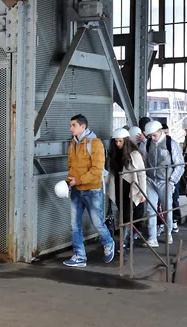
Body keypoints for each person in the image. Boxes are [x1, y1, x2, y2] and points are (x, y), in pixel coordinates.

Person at [63, 114, 115, 267]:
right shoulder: (72, 144)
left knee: (97, 223)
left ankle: (109, 243)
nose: (70, 128)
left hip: (92, 190)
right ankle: (80, 256)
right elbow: (71, 168)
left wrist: (77, 180)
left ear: (82, 127)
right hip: (76, 191)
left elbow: (97, 170)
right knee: (74, 225)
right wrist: (67, 183)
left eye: (73, 125)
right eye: (71, 125)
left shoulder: (95, 143)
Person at [143, 120, 185, 247]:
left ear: (160, 131)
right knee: (150, 209)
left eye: (154, 135)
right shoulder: (148, 143)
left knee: (167, 209)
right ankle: (152, 237)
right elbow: (144, 160)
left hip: (165, 181)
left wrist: (172, 181)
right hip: (150, 180)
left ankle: (168, 233)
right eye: (150, 136)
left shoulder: (171, 143)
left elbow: (180, 165)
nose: (152, 138)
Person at [105, 128, 146, 251]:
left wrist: (142, 192)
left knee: (127, 215)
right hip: (118, 187)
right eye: (116, 141)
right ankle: (126, 240)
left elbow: (142, 174)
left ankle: (126, 241)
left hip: (130, 188)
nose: (118, 144)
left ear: (126, 141)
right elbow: (112, 172)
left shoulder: (134, 154)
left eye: (120, 141)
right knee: (122, 214)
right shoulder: (114, 154)